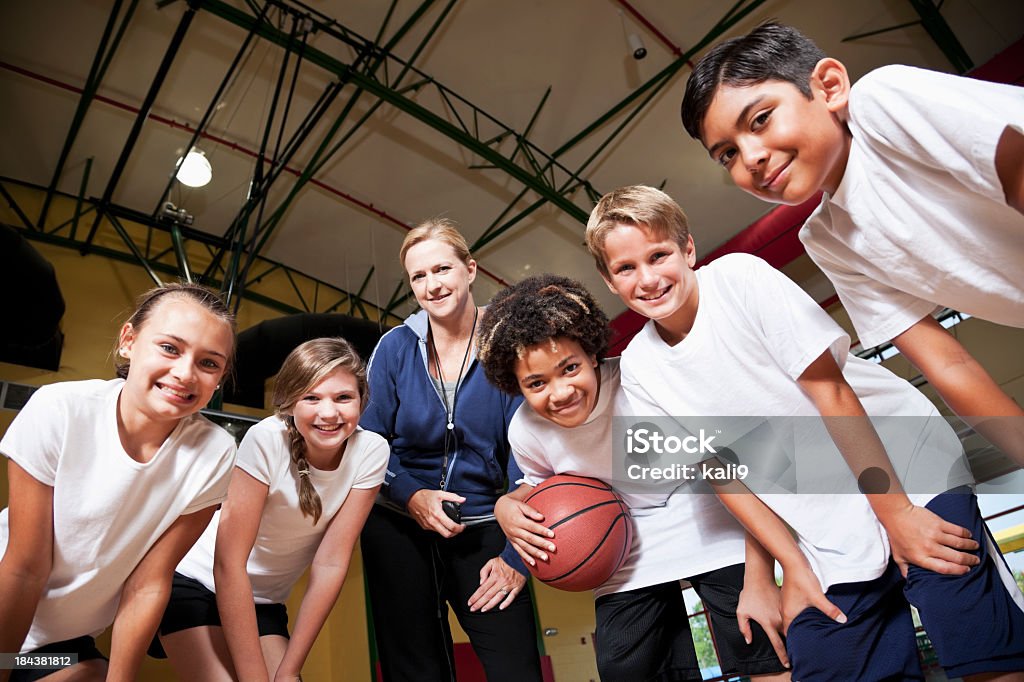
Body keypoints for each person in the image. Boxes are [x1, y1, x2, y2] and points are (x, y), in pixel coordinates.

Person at [585, 185, 1024, 679]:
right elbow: (723, 475)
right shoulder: (640, 367)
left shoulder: (739, 279)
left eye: (658, 255)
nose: (647, 278)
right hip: (824, 521)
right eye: (626, 268)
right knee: (825, 659)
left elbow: (830, 394)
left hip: (905, 468)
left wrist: (898, 514)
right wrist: (790, 563)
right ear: (608, 278)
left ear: (687, 248)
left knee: (982, 649)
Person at [679, 21, 1024, 464]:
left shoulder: (882, 103)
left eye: (761, 119)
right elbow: (948, 365)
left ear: (829, 86)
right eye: (727, 154)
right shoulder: (827, 240)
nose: (751, 158)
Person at [477, 273, 792, 681]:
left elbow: (741, 466)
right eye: (536, 383)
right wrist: (506, 505)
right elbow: (537, 486)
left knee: (762, 643)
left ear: (591, 354)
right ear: (515, 385)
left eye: (569, 368)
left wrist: (762, 575)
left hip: (714, 519)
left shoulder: (645, 381)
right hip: (626, 544)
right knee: (622, 668)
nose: (559, 392)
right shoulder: (527, 429)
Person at [0, 282, 237, 682]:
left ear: (219, 378)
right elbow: (25, 568)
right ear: (129, 341)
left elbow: (148, 584)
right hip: (6, 630)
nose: (184, 373)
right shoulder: (60, 409)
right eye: (170, 348)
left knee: (93, 674)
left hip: (52, 653)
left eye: (208, 363)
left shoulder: (214, 453)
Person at [358, 219, 542, 681]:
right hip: (397, 526)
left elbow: (530, 458)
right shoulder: (395, 347)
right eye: (419, 276)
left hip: (482, 526)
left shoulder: (507, 346)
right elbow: (368, 441)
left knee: (516, 668)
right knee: (415, 672)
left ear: (470, 269)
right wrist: (409, 494)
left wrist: (518, 560)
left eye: (442, 269)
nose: (432, 284)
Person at [155, 337, 388, 681]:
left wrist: (290, 669)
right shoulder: (267, 439)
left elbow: (331, 562)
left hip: (263, 601)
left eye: (343, 397)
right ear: (291, 403)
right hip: (196, 581)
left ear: (361, 400)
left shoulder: (371, 452)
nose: (328, 412)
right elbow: (228, 562)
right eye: (311, 397)